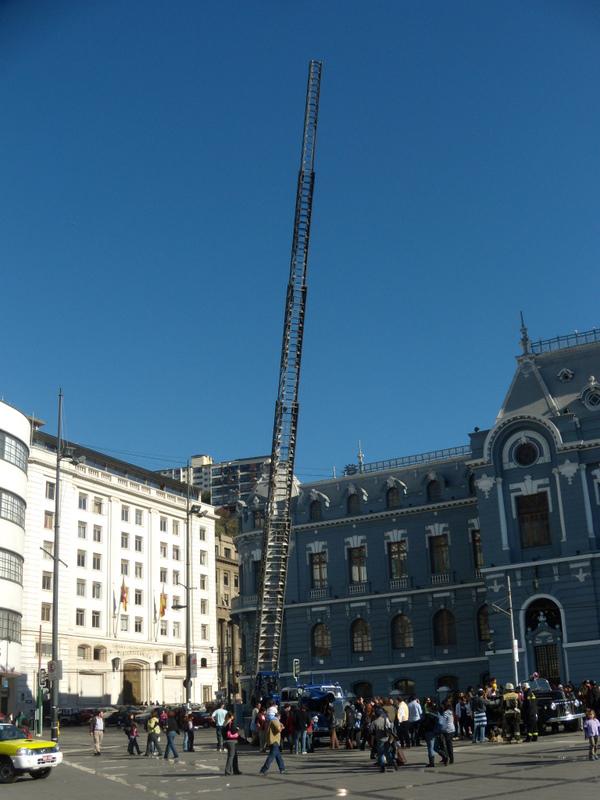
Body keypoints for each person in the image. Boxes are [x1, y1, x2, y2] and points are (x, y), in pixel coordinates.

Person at [370, 707, 393, 772]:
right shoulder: (386, 719)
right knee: (387, 751)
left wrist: (372, 741)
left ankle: (382, 765)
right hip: (387, 738)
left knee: (381, 753)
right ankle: (391, 762)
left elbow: (371, 732)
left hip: (379, 739)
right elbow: (390, 727)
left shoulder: (374, 722)